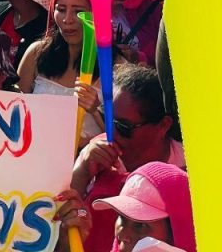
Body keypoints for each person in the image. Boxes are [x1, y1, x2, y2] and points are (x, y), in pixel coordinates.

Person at [71, 64, 186, 252]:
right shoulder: (95, 154)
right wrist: (82, 172)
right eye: (108, 120)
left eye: (123, 127)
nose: (112, 134)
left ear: (163, 125)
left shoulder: (190, 169)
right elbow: (60, 217)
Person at [18, 0, 105, 148]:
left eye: (78, 11)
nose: (67, 20)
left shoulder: (116, 66)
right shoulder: (36, 53)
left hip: (89, 162)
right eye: (61, 9)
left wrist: (96, 110)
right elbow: (13, 113)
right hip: (35, 155)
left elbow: (126, 139)